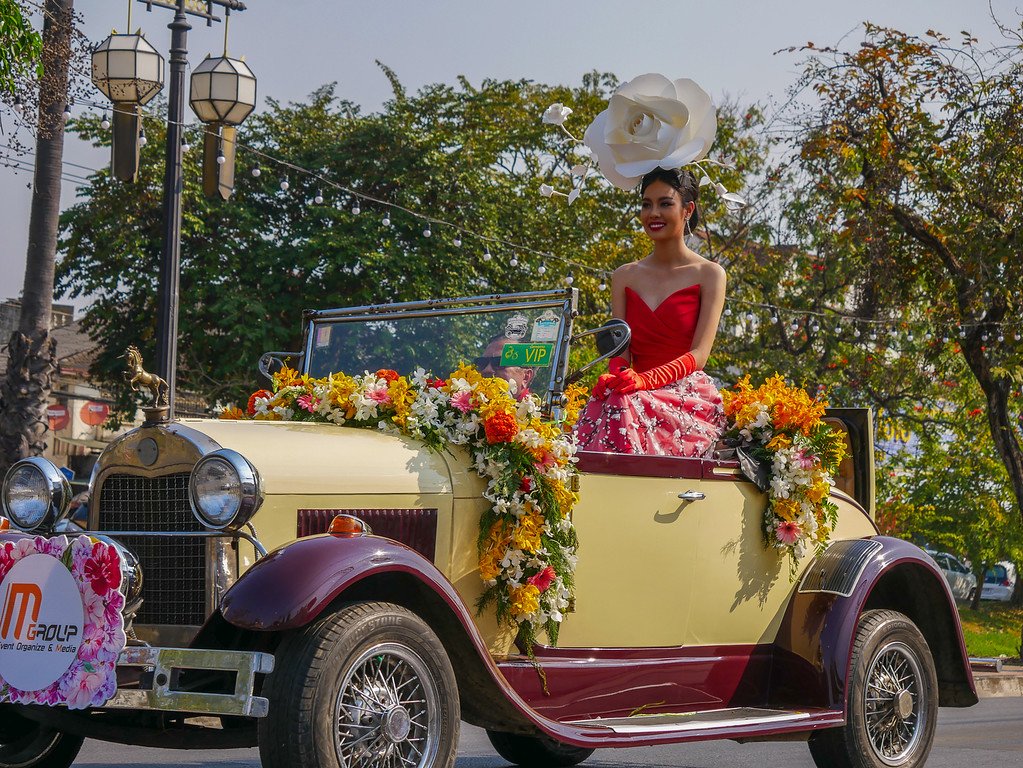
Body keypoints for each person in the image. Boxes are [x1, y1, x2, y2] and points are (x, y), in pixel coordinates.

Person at [572, 167, 726, 457]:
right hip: (630, 394)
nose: (653, 213)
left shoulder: (710, 274)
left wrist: (643, 381)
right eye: (646, 204)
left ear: (687, 210)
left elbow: (700, 354)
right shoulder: (624, 275)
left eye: (665, 204)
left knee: (621, 405)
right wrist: (618, 376)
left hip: (684, 396)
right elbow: (619, 350)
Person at [475, 333, 535, 398]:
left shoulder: (544, 408)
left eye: (499, 362)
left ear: (525, 377)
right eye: (482, 362)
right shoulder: (468, 405)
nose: (487, 370)